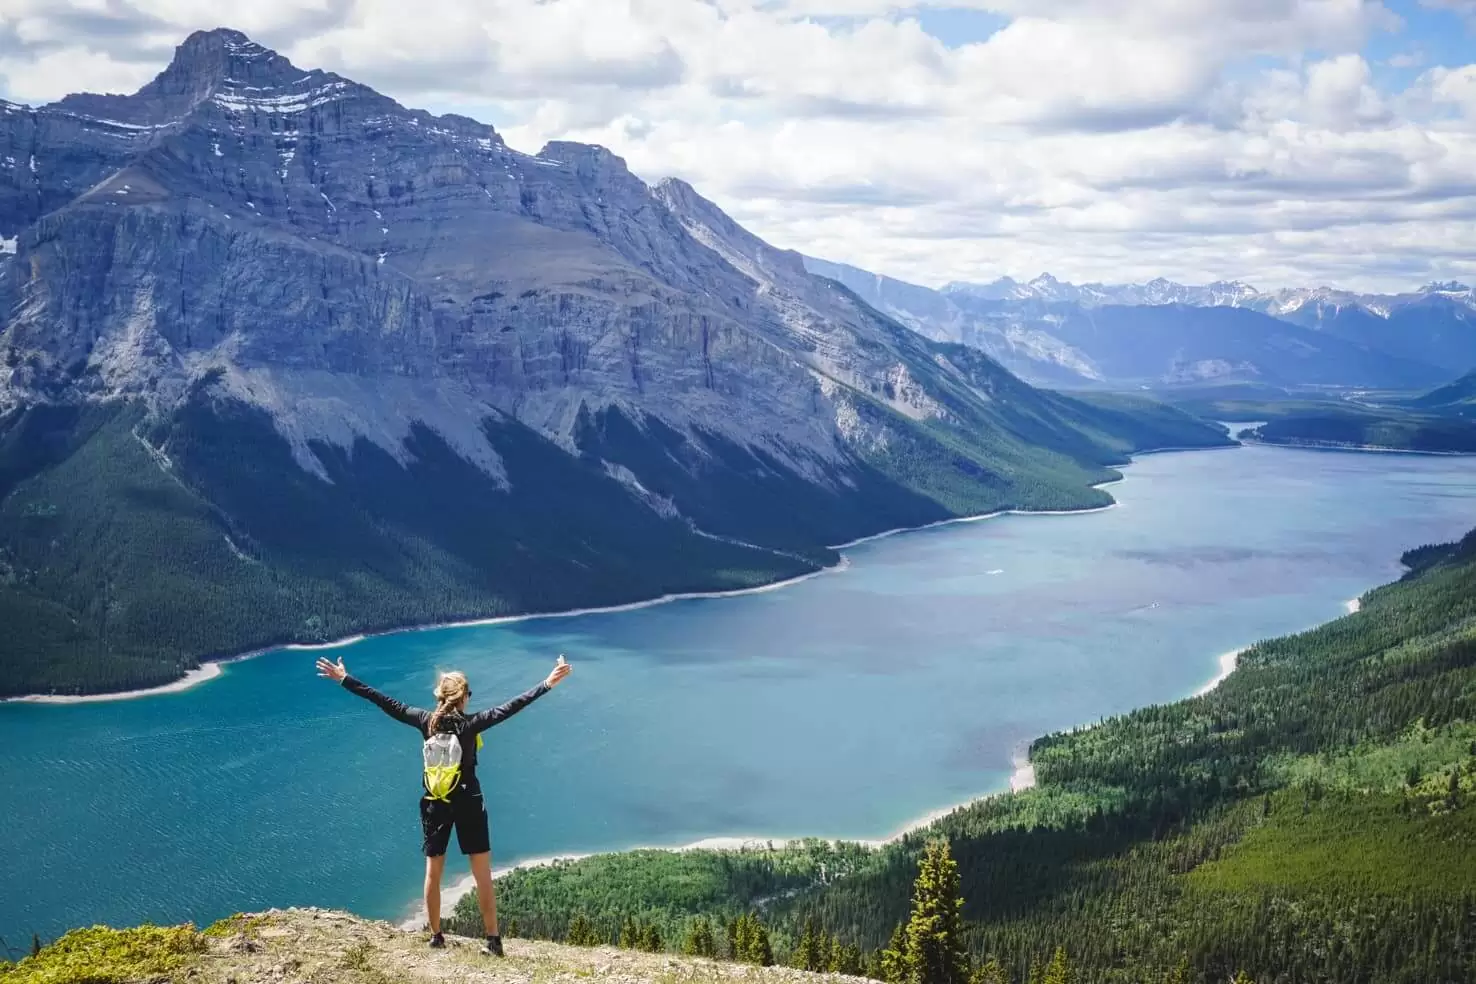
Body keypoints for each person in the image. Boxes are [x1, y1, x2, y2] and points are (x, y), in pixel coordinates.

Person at [316, 653, 572, 955]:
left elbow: (382, 700)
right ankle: (493, 940)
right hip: (469, 802)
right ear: (463, 697)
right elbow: (512, 706)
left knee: (433, 873)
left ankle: (436, 936)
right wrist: (547, 683)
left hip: (435, 803)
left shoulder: (425, 721)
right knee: (481, 874)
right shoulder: (472, 724)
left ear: (440, 697)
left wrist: (345, 679)